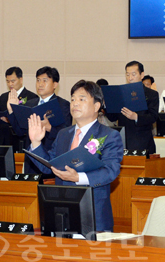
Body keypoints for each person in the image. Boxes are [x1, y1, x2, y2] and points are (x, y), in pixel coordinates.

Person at [27, 80, 123, 231]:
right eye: (72, 99)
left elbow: (110, 171)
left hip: (93, 216)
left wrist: (78, 178)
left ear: (97, 106)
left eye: (81, 99)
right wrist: (36, 143)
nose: (75, 103)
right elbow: (48, 166)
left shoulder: (110, 135)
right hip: (62, 213)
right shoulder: (63, 134)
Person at [8, 66, 72, 174]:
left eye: (45, 80)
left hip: (51, 160)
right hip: (31, 160)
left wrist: (49, 128)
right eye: (38, 80)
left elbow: (67, 136)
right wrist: (11, 111)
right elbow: (19, 131)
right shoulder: (29, 104)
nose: (40, 84)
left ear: (55, 84)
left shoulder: (63, 105)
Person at [106, 61, 159, 154]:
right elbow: (113, 117)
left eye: (133, 74)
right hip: (123, 140)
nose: (130, 78)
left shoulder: (151, 94)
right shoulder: (120, 93)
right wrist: (106, 104)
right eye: (127, 74)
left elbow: (153, 117)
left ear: (142, 75)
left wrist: (136, 117)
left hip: (143, 141)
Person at [0, 67, 38, 147]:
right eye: (7, 81)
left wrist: (10, 119)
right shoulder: (3, 97)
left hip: (21, 141)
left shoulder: (32, 97)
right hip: (3, 141)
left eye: (13, 81)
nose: (10, 84)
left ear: (21, 79)